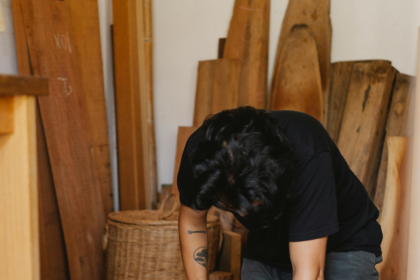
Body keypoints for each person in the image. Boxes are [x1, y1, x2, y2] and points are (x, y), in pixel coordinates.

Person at [177, 107, 383, 280]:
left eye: (253, 204)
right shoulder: (200, 157)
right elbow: (192, 222)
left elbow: (309, 272)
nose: (244, 216)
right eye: (233, 206)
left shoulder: (308, 153)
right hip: (267, 243)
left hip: (341, 244)